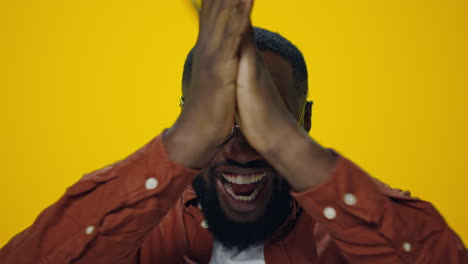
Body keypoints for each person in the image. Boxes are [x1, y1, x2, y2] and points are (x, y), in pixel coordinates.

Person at [1, 0, 467, 263]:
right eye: (224, 120)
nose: (243, 146)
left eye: (266, 120)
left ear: (302, 121)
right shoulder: (136, 230)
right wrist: (189, 140)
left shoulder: (351, 234)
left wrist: (284, 143)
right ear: (192, 116)